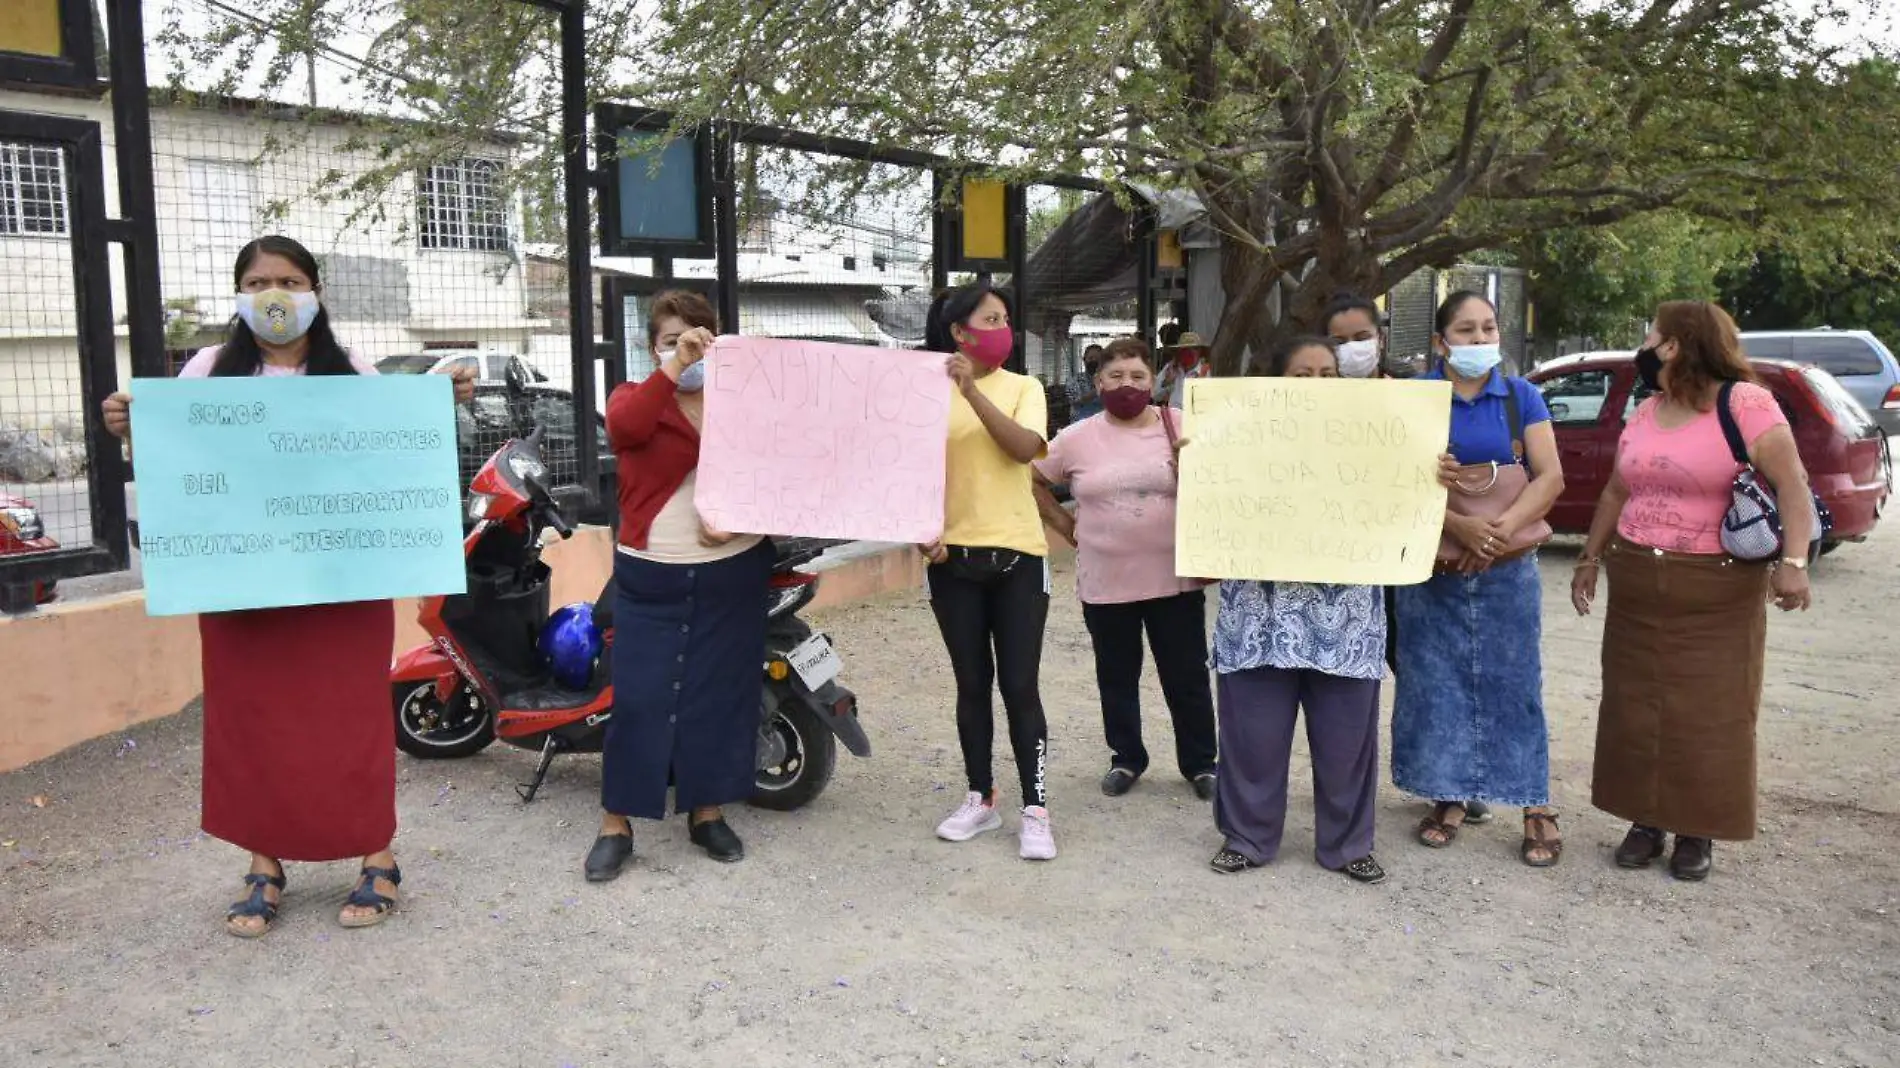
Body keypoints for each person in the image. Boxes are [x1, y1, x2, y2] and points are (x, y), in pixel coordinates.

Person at [99, 235, 476, 937]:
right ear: (240, 293)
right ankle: (263, 864)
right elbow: (178, 466)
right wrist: (132, 432)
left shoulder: (353, 372)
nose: (277, 294)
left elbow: (399, 450)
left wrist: (438, 401)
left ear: (316, 293)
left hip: (341, 586)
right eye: (262, 280)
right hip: (245, 588)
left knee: (352, 717)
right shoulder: (208, 372)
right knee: (253, 720)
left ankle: (377, 856)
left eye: (292, 280)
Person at [1573, 302, 1814, 881]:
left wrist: (1795, 561)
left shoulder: (1745, 404)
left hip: (1717, 590)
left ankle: (1695, 829)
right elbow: (1613, 493)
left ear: (1678, 344)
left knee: (1708, 714)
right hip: (1637, 583)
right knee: (1634, 707)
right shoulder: (1650, 410)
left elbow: (1794, 486)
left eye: (1653, 336)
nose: (1646, 345)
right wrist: (1589, 558)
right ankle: (1645, 820)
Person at [583, 289, 772, 881]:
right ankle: (617, 822)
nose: (689, 349)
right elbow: (626, 427)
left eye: (699, 338)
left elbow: (781, 475)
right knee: (639, 698)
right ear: (651, 347)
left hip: (733, 568)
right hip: (652, 572)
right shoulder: (634, 398)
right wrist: (673, 367)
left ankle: (707, 812)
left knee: (716, 695)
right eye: (673, 340)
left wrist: (742, 523)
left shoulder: (742, 404)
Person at [1390, 291, 1567, 867]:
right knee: (1434, 683)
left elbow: (1550, 478)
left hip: (1507, 569)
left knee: (1515, 684)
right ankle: (1449, 797)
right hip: (1430, 568)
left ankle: (1533, 802)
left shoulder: (1521, 397)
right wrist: (1458, 525)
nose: (1479, 339)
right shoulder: (1415, 398)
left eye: (1488, 327)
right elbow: (1387, 480)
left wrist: (1496, 531)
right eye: (1465, 330)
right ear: (1441, 342)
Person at [1204, 337, 1388, 883]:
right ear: (1276, 383)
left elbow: (1402, 504)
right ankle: (1247, 836)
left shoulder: (1373, 442)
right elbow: (1207, 504)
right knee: (1252, 737)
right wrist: (1194, 462)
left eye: (1328, 374)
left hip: (1346, 616)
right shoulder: (1239, 442)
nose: (1316, 385)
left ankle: (1348, 844)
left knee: (1346, 740)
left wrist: (1430, 472)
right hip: (1260, 616)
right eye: (1301, 374)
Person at [1031, 337, 1217, 800]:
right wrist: (1065, 524)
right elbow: (1031, 478)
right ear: (1098, 382)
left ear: (1153, 381)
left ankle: (1200, 763)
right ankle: (1127, 758)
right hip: (1106, 581)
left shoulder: (1183, 427)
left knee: (1187, 675)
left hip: (1174, 579)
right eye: (1115, 377)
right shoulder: (1075, 438)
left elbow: (1223, 481)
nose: (1126, 385)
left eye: (1137, 376)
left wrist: (1193, 470)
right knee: (1116, 675)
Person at [919, 282, 1057, 861]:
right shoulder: (923, 392)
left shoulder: (1025, 387)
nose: (1003, 326)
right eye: (990, 317)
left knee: (1019, 686)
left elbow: (1024, 448)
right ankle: (981, 796)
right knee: (971, 685)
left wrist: (971, 390)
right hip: (953, 562)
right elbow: (904, 469)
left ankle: (1036, 809)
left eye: (1005, 316)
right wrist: (919, 530)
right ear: (957, 330)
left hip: (1020, 558)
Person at [1155, 331, 1211, 408]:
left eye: (1194, 348)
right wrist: (1167, 381)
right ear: (1179, 351)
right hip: (1173, 417)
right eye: (1185, 349)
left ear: (1200, 352)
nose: (1189, 352)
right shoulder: (1170, 368)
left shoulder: (1206, 372)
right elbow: (1155, 396)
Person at [1069, 343, 1106, 420]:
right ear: (1084, 359)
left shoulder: (1111, 379)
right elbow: (1076, 401)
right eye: (1090, 358)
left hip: (1104, 423)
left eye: (1097, 359)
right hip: (1080, 423)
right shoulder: (1074, 380)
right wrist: (1097, 388)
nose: (1094, 361)